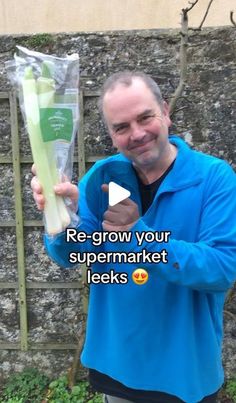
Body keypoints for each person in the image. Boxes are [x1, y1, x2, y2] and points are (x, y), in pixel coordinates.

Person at [31, 71, 236, 403]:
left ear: (165, 111)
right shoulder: (105, 176)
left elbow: (223, 267)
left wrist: (138, 236)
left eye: (145, 117)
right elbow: (71, 253)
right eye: (121, 127)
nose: (137, 134)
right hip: (117, 365)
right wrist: (61, 217)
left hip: (183, 373)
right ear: (111, 135)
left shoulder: (213, 178)